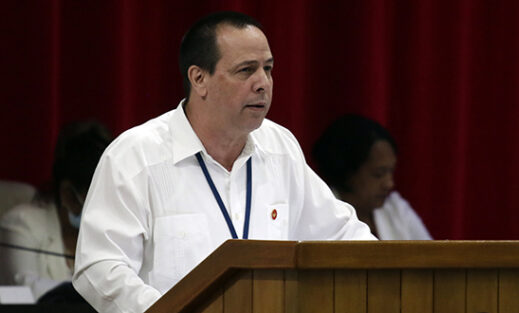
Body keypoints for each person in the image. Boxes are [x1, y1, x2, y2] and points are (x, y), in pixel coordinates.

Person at [73, 11, 377, 313]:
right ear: (199, 78)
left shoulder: (280, 148)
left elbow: (343, 237)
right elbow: (100, 267)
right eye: (246, 70)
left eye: (268, 69)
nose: (263, 84)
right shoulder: (136, 155)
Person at [0, 121, 112, 301]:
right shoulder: (21, 224)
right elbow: (25, 292)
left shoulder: (113, 234)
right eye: (97, 197)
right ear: (68, 195)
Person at [312, 114, 432, 240]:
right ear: (347, 173)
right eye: (378, 174)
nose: (389, 183)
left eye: (391, 171)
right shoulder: (321, 216)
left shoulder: (396, 211)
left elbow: (433, 257)